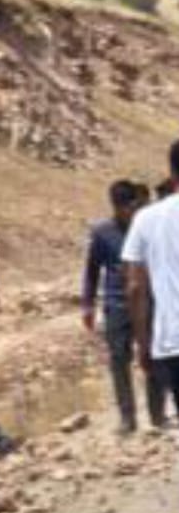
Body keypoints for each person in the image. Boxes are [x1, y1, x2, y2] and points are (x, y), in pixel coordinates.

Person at [82, 179, 155, 432]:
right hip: (115, 303)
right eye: (125, 206)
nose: (130, 211)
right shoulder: (102, 233)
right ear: (115, 206)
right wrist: (87, 304)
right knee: (118, 360)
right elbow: (92, 270)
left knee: (152, 356)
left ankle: (157, 414)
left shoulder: (145, 226)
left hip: (146, 301)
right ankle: (128, 418)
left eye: (133, 205)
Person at [124, 141, 179, 423]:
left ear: (172, 175)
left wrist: (143, 345)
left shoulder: (146, 219)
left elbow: (135, 289)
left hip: (172, 341)